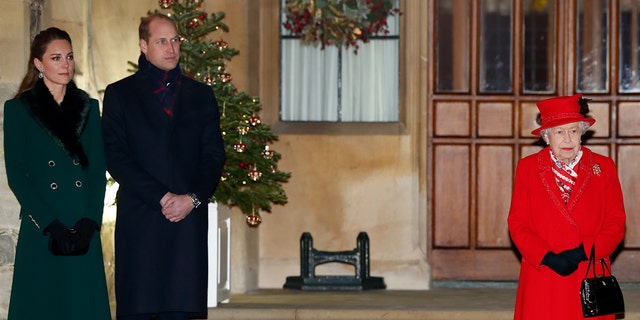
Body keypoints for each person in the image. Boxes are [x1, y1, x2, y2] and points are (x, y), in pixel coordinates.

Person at [102, 13, 226, 320]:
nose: (171, 48)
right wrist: (161, 197)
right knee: (139, 309)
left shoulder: (201, 95)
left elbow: (213, 156)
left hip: (186, 224)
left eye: (175, 40)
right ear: (143, 45)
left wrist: (192, 198)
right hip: (141, 221)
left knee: (179, 311)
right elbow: (116, 156)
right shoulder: (120, 94)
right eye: (161, 41)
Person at [3, 27, 111, 319]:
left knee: (81, 307)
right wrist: (50, 224)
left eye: (69, 57)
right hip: (43, 226)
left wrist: (91, 221)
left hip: (81, 225)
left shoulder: (88, 108)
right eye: (56, 57)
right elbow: (17, 174)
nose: (65, 64)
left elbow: (97, 170)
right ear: (38, 64)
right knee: (41, 306)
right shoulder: (18, 110)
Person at [507, 94, 626, 319]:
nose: (567, 140)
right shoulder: (528, 168)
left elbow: (616, 223)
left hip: (588, 270)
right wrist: (547, 257)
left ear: (582, 133)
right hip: (544, 273)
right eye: (559, 132)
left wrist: (583, 251)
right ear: (546, 136)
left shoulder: (604, 167)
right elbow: (517, 223)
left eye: (573, 131)